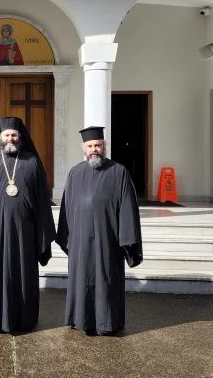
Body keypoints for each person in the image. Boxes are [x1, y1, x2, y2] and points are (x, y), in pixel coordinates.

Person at [0, 116, 55, 333]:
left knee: (22, 272)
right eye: (7, 134)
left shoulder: (32, 162)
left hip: (24, 233)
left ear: (21, 138)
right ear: (0, 138)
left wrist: (41, 235)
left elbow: (42, 201)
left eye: (14, 134)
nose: (11, 138)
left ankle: (23, 319)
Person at [55, 126, 143, 336]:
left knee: (107, 280)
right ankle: (80, 320)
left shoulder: (118, 172)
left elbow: (128, 208)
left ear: (104, 147)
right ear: (83, 149)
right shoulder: (75, 173)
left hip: (108, 241)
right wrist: (67, 237)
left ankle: (107, 322)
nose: (94, 149)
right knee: (82, 280)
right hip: (81, 242)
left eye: (98, 145)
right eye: (90, 146)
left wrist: (127, 240)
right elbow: (67, 207)